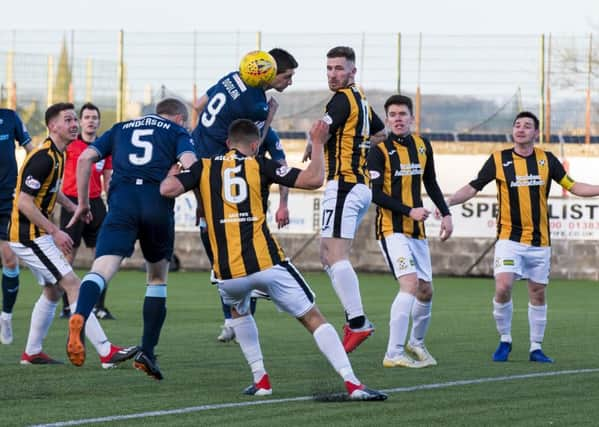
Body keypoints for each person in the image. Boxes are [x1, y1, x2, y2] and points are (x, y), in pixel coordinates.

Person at [160, 118, 387, 401]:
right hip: (267, 264)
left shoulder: (203, 167)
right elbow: (314, 179)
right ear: (255, 145)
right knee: (312, 318)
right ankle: (353, 384)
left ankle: (261, 380)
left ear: (228, 143)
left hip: (228, 274)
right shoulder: (261, 164)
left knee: (237, 312)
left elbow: (166, 189)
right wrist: (316, 143)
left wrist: (174, 169)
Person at [446, 111, 599, 363]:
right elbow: (473, 187)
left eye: (527, 126)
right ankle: (504, 339)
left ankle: (535, 347)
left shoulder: (547, 160)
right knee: (503, 286)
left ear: (536, 133)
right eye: (517, 125)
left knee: (537, 292)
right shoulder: (498, 159)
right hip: (509, 239)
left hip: (540, 241)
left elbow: (573, 186)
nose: (521, 129)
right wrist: (447, 202)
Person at [66, 98, 197, 380]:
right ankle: (147, 353)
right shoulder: (177, 132)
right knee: (157, 279)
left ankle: (81, 314)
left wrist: (83, 203)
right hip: (156, 202)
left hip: (121, 202)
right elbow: (192, 165)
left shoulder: (121, 127)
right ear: (179, 118)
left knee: (100, 270)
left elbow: (86, 158)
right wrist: (181, 184)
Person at [8, 102, 137, 367]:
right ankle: (106, 352)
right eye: (68, 120)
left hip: (34, 234)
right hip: (28, 236)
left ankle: (32, 352)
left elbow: (51, 193)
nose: (74, 124)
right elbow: (24, 202)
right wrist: (55, 230)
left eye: (74, 119)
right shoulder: (43, 157)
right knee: (73, 285)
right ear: (52, 126)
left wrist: (75, 207)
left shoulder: (59, 154)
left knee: (53, 292)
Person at [192, 48, 298, 342]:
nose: (290, 82)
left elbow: (198, 105)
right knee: (235, 257)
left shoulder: (231, 78)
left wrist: (193, 141)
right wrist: (271, 116)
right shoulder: (257, 105)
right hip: (221, 176)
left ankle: (236, 317)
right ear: (269, 73)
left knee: (224, 254)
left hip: (198, 158)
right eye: (287, 76)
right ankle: (247, 310)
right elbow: (255, 144)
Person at [303, 46, 385, 353]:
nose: (333, 74)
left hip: (345, 185)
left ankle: (359, 322)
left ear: (352, 71)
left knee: (334, 256)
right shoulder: (360, 100)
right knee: (327, 255)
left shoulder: (341, 100)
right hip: (357, 185)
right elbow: (380, 132)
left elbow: (320, 132)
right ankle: (356, 320)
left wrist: (315, 146)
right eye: (329, 68)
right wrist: (357, 147)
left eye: (339, 68)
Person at [367, 95, 453, 368]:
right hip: (392, 229)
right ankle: (393, 353)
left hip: (416, 231)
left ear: (412, 117)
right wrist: (409, 211)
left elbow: (431, 181)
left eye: (403, 114)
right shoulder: (378, 151)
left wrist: (446, 213)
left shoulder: (422, 146)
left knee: (426, 290)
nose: (398, 118)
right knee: (410, 284)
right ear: (388, 119)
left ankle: (416, 343)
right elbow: (376, 195)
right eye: (392, 115)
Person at [59, 103, 114, 320]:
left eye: (94, 117)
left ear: (99, 122)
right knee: (67, 256)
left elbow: (108, 179)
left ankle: (99, 306)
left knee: (101, 256)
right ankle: (68, 306)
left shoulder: (103, 147)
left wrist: (114, 204)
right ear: (80, 121)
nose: (91, 121)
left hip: (95, 203)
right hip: (72, 203)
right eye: (87, 117)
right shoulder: (70, 146)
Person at [0, 108, 33, 345]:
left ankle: (6, 316)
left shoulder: (10, 117)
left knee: (10, 259)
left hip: (6, 197)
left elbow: (31, 150)